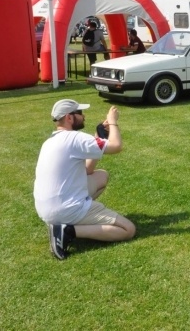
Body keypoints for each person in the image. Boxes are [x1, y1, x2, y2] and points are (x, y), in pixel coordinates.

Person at [33, 99, 135, 259]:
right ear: (69, 117)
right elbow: (117, 146)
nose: (83, 116)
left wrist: (98, 136)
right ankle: (66, 231)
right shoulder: (75, 138)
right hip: (65, 209)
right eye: (79, 113)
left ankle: (63, 224)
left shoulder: (50, 141)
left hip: (46, 210)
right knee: (128, 230)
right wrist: (114, 122)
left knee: (101, 176)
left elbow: (88, 170)